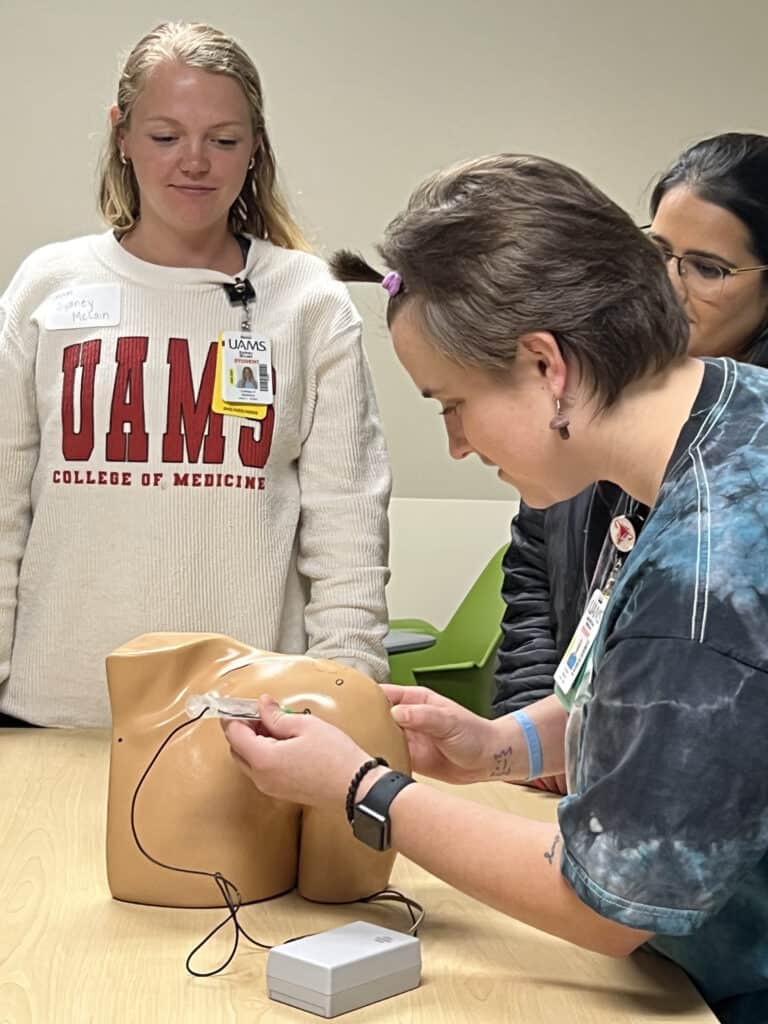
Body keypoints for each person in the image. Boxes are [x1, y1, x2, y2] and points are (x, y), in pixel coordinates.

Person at [223, 153, 768, 1024]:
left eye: (451, 403)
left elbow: (601, 904)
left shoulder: (707, 577)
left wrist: (365, 790)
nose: (457, 445)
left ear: (547, 365)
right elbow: (691, 720)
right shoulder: (731, 411)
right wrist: (499, 747)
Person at [0, 22, 391, 728]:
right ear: (121, 134)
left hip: (244, 722)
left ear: (254, 146)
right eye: (165, 136)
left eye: (223, 139)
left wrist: (344, 707)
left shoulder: (308, 301)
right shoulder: (45, 288)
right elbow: (2, 508)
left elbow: (348, 535)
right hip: (51, 714)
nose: (195, 162)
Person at [493, 135, 768, 797]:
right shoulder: (601, 371)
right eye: (659, 254)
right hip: (568, 766)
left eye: (706, 268)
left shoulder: (750, 456)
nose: (670, 288)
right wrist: (530, 728)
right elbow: (535, 561)